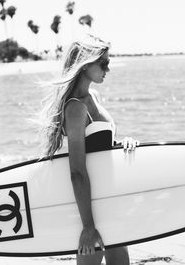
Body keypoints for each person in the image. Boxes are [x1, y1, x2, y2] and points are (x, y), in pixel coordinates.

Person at [40, 34, 139, 265]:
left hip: (109, 201)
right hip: (92, 208)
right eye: (103, 63)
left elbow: (99, 149)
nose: (108, 69)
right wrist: (88, 226)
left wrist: (123, 143)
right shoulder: (75, 108)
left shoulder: (92, 96)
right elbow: (77, 172)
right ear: (85, 64)